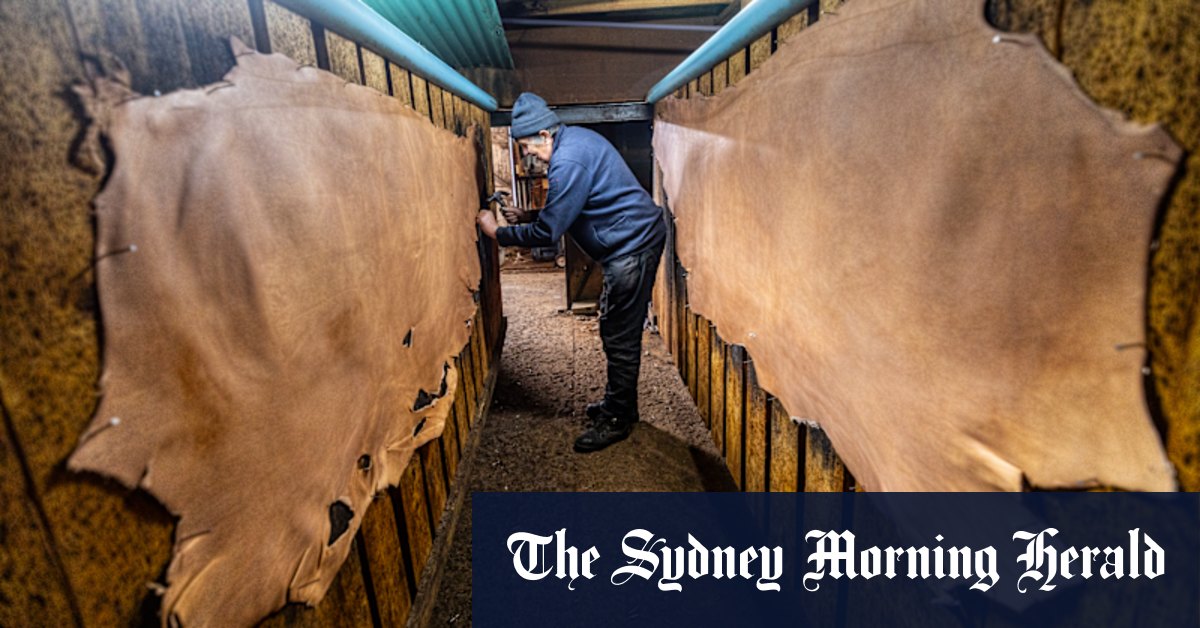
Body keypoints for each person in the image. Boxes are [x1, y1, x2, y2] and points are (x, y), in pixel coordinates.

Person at [477, 92, 666, 453]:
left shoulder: (569, 162)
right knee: (615, 326)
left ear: (546, 135)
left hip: (633, 245)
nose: (528, 154)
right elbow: (570, 208)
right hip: (629, 240)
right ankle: (619, 406)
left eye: (529, 147)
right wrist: (530, 215)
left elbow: (548, 234)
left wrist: (496, 232)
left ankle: (618, 418)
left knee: (619, 334)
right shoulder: (574, 142)